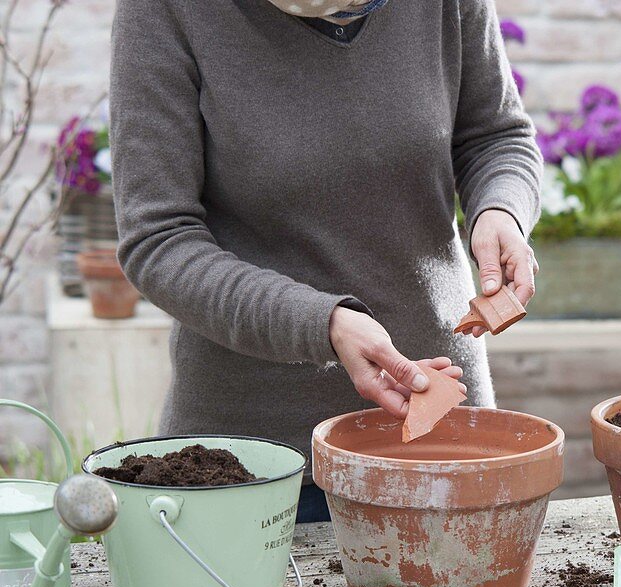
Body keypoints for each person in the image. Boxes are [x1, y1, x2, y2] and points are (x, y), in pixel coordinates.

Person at [109, 0, 542, 521]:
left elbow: (495, 136)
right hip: (253, 468)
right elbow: (159, 239)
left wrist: (501, 210)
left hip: (439, 442)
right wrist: (322, 324)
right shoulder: (166, 10)